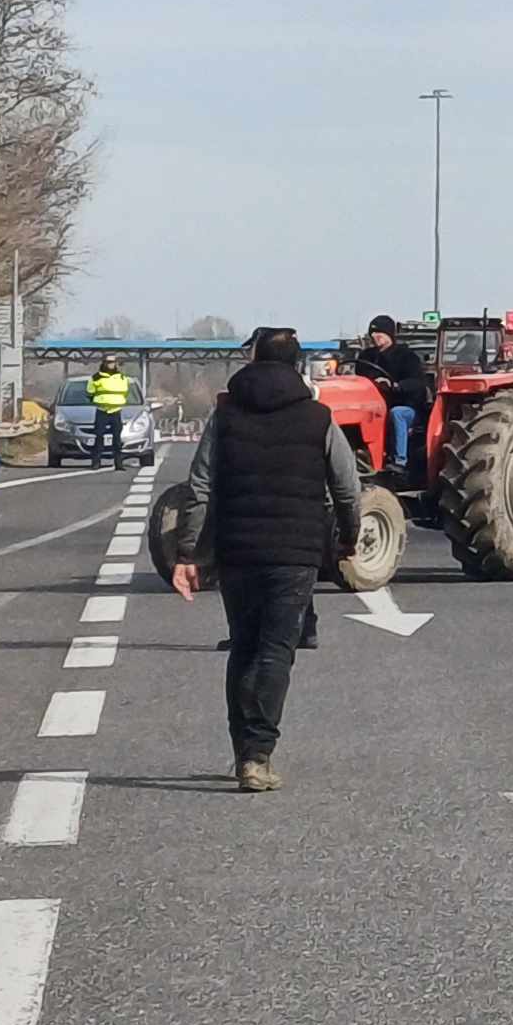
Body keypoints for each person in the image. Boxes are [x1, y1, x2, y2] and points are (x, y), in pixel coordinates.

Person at [174, 327, 362, 792]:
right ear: (298, 366)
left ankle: (243, 752)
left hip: (236, 550)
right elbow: (347, 487)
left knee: (243, 646)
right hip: (294, 554)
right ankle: (259, 756)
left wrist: (188, 553)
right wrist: (349, 537)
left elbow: (199, 487)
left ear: (253, 362)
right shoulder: (318, 418)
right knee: (276, 651)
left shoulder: (225, 416)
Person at [357, 315, 426, 470]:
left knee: (397, 413)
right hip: (374, 405)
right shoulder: (366, 357)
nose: (374, 337)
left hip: (407, 407)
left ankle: (399, 461)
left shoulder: (407, 357)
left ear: (389, 335)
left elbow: (418, 383)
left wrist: (395, 386)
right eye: (372, 334)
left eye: (379, 333)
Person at [86, 355, 133, 470]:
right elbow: (89, 392)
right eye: (108, 362)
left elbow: (125, 392)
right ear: (104, 363)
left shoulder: (122, 378)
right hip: (102, 410)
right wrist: (99, 401)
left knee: (117, 439)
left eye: (112, 362)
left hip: (116, 411)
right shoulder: (96, 378)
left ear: (116, 364)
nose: (110, 364)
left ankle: (118, 463)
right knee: (99, 437)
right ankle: (96, 462)